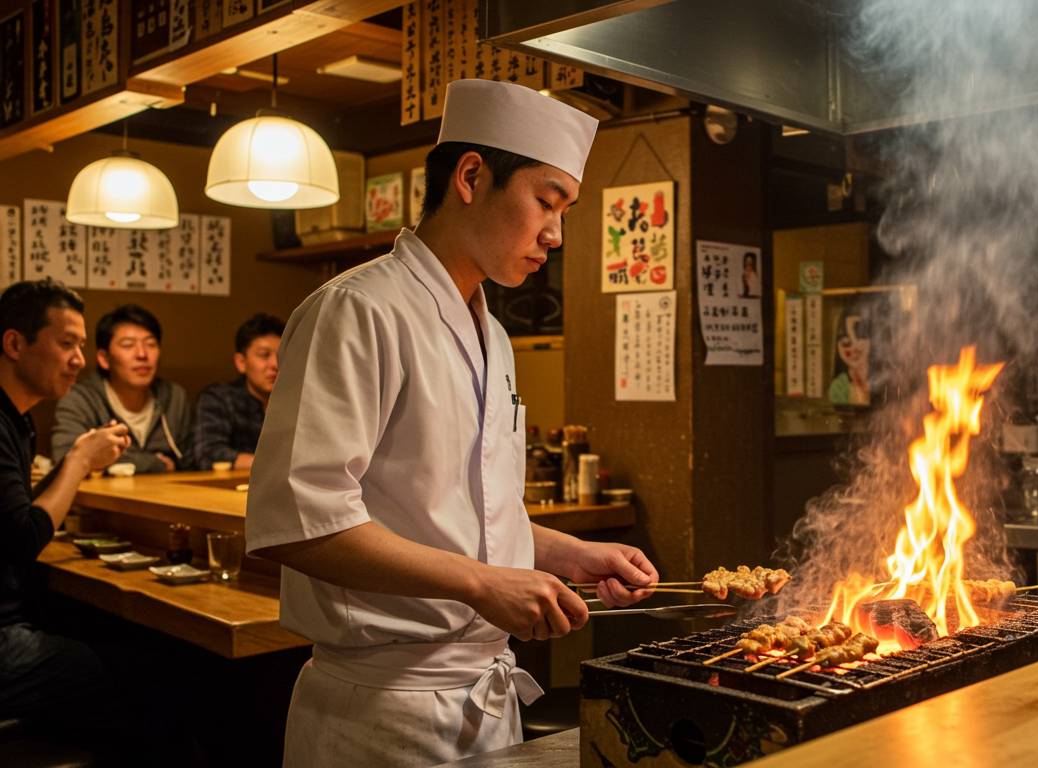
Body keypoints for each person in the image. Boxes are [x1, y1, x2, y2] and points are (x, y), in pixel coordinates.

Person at [246, 79, 660, 767]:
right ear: (471, 176)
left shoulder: (491, 334)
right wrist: (481, 583)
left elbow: (453, 509)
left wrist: (567, 554)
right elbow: (300, 524)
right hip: (381, 713)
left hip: (481, 700)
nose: (555, 235)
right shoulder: (358, 310)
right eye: (547, 202)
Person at [0, 280, 131, 751]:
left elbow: (14, 511)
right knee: (143, 670)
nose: (78, 359)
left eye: (81, 345)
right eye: (66, 343)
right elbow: (20, 538)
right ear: (15, 343)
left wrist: (75, 456)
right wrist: (78, 463)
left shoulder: (16, 418)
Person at [51, 304, 191, 473]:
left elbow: (192, 459)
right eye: (127, 345)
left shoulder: (174, 396)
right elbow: (66, 454)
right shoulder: (80, 398)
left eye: (151, 344)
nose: (142, 354)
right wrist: (156, 464)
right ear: (104, 358)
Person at [192, 313, 283, 470]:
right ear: (241, 362)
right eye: (264, 355)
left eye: (282, 355)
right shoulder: (219, 398)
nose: (275, 364)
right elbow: (209, 454)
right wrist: (271, 465)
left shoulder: (297, 402)